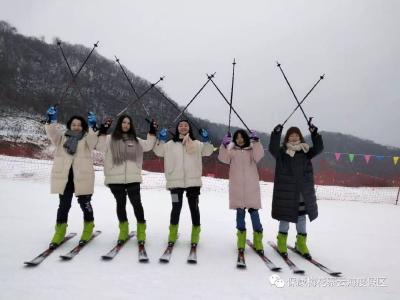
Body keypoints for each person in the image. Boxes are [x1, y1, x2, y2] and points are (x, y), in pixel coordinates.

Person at [96, 115, 157, 247]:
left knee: (137, 204)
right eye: (124, 122)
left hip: (133, 178)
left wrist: (152, 131)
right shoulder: (109, 139)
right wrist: (102, 130)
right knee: (120, 204)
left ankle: (141, 231)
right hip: (114, 178)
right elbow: (99, 146)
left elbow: (148, 146)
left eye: (128, 123)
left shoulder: (136, 140)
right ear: (119, 124)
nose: (126, 125)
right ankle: (123, 231)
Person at [45, 106, 100, 248]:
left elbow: (94, 139)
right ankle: (59, 232)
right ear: (69, 125)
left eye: (79, 125)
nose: (76, 127)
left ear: (83, 126)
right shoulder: (62, 138)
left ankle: (88, 228)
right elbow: (52, 133)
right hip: (65, 178)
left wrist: (94, 126)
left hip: (83, 177)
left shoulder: (87, 138)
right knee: (63, 206)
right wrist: (51, 121)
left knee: (85, 205)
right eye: (73, 124)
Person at [153, 120, 214, 248]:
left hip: (193, 183)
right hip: (175, 183)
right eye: (180, 125)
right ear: (177, 128)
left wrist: (207, 140)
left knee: (194, 208)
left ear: (189, 128)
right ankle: (172, 234)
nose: (183, 127)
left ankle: (195, 234)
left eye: (186, 125)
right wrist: (161, 140)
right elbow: (158, 151)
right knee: (176, 207)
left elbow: (208, 151)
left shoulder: (197, 144)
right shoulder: (170, 144)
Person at [269, 123, 323, 259]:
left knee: (301, 217)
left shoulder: (306, 152)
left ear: (300, 137)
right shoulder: (282, 152)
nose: (294, 137)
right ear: (287, 138)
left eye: (296, 135)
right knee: (285, 218)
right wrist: (276, 133)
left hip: (302, 192)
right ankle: (282, 243)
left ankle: (301, 243)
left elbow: (319, 148)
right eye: (291, 135)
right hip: (286, 192)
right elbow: (272, 148)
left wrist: (315, 134)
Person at [218, 129, 265, 257]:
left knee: (254, 214)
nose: (239, 139)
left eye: (242, 137)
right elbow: (223, 158)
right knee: (240, 215)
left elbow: (259, 155)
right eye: (237, 137)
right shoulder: (232, 151)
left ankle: (258, 241)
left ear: (245, 138)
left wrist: (256, 142)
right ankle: (241, 240)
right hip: (237, 188)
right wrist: (223, 145)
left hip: (251, 188)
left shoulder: (251, 151)